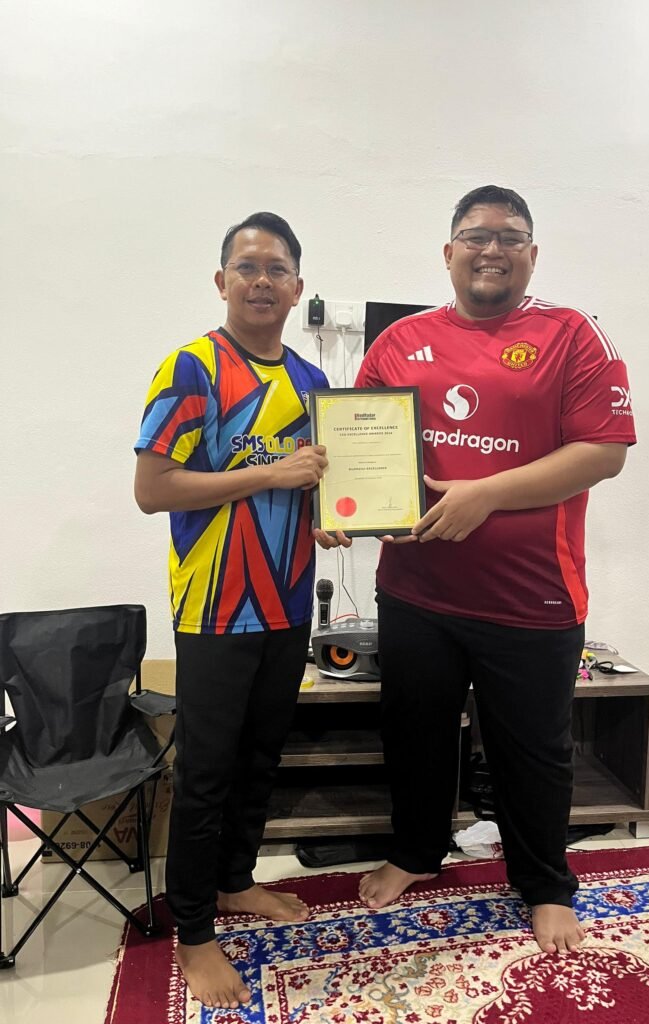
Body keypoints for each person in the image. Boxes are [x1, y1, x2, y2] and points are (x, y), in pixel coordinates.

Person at [351, 185, 636, 955]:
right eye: (476, 236)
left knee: (533, 749)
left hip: (532, 596)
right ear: (449, 253)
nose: (492, 249)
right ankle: (417, 850)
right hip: (415, 590)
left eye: (510, 237)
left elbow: (602, 452)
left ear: (532, 254)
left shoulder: (573, 336)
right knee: (415, 732)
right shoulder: (400, 342)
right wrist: (345, 506)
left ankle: (544, 883)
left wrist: (484, 496)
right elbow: (361, 445)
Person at [134, 212, 330, 1010]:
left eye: (277, 269)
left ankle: (235, 880)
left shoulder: (313, 382)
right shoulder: (192, 368)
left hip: (288, 600)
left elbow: (317, 487)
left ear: (297, 287)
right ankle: (193, 932)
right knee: (208, 771)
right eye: (247, 267)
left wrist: (332, 513)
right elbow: (154, 490)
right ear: (222, 281)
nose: (261, 281)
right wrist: (270, 475)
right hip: (215, 605)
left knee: (260, 758)